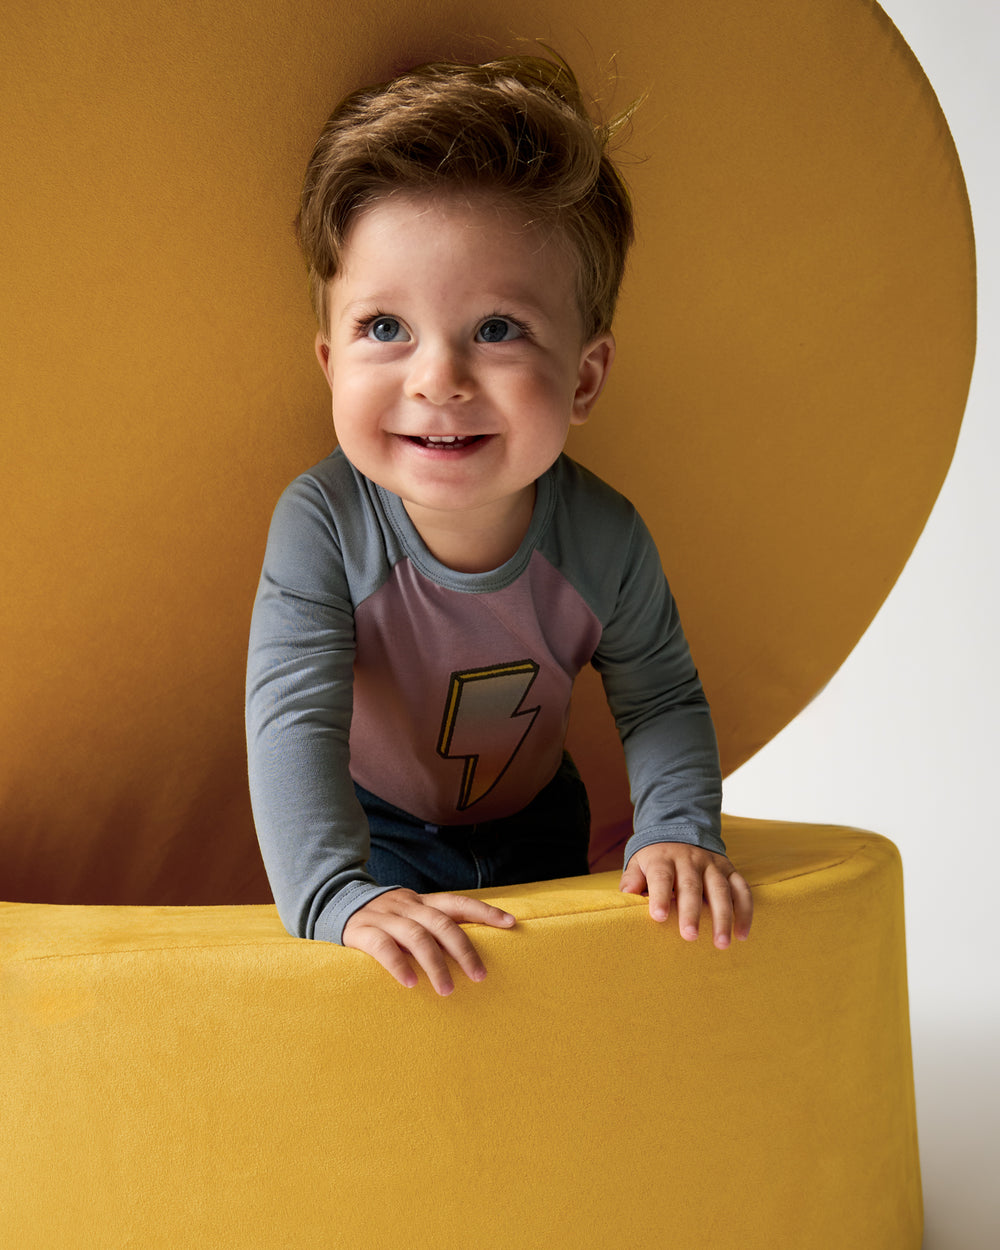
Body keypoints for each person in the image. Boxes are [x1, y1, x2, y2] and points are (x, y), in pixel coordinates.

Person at [246, 53, 752, 996]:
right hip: (374, 836)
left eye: (496, 329)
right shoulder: (322, 523)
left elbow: (662, 698)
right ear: (328, 362)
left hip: (541, 829)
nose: (437, 379)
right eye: (385, 329)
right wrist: (332, 894)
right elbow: (292, 721)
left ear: (586, 376)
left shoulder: (603, 538)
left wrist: (678, 829)